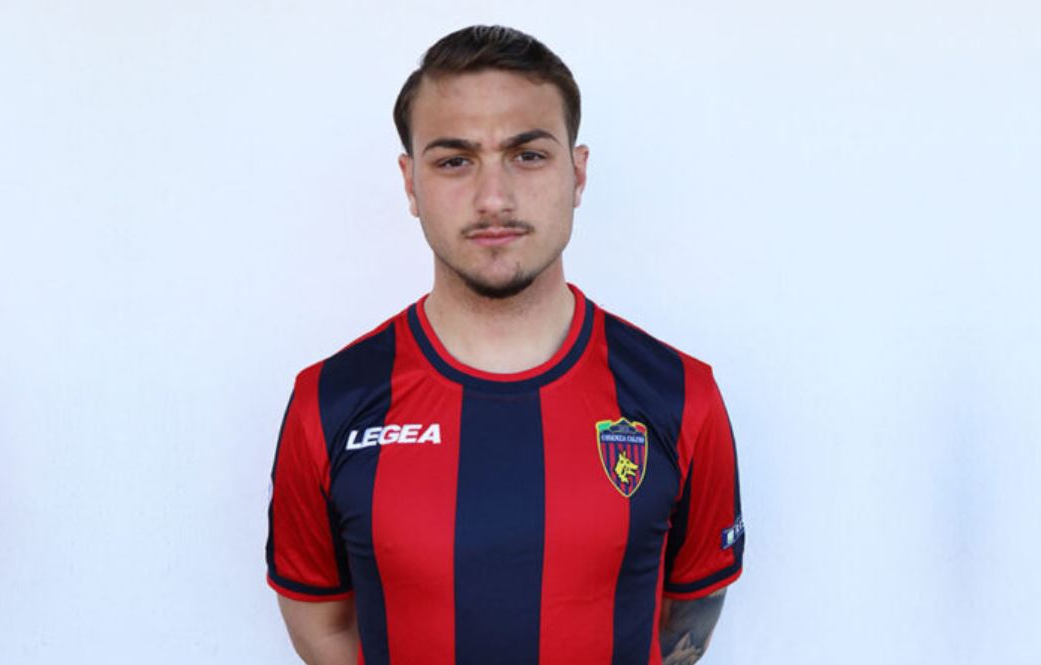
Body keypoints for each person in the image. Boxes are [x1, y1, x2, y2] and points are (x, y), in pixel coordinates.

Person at [265, 25, 744, 665]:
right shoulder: (328, 402)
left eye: (528, 155)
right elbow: (323, 626)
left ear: (578, 173)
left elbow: (688, 618)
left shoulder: (681, 395)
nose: (494, 198)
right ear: (410, 183)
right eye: (455, 161)